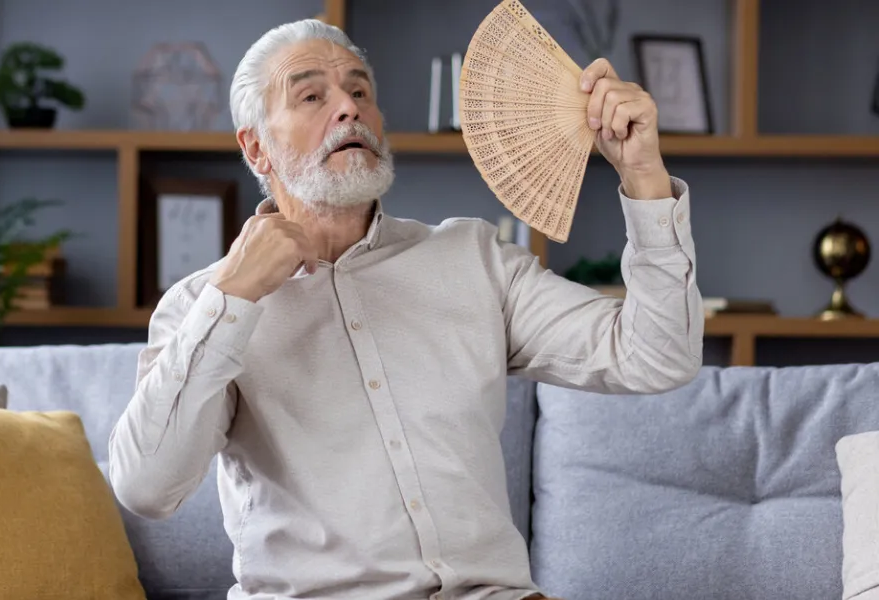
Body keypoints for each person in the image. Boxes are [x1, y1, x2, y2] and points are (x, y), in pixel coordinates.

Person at [109, 18, 702, 600]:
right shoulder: (201, 305)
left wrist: (642, 173)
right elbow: (146, 487)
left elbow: (657, 358)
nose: (349, 108)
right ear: (256, 148)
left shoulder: (474, 259)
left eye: (360, 91)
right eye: (312, 95)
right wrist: (233, 297)